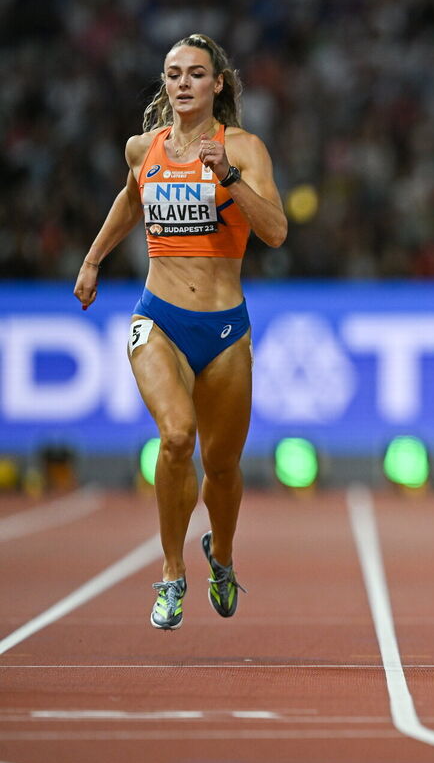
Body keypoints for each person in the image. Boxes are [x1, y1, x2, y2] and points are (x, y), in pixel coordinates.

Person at [73, 34, 287, 630]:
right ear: (164, 84)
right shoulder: (145, 147)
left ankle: (220, 554)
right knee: (175, 436)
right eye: (173, 74)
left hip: (224, 330)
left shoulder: (244, 147)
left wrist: (233, 178)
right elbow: (131, 198)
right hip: (158, 317)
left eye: (196, 73)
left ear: (218, 84)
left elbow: (275, 231)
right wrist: (93, 261)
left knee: (221, 467)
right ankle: (171, 573)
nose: (183, 83)